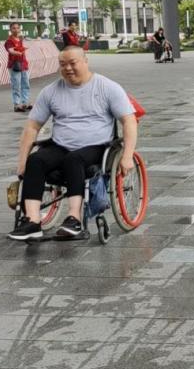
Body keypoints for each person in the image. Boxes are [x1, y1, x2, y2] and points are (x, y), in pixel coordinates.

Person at [8, 46, 138, 241]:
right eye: (62, 64)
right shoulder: (51, 91)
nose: (67, 68)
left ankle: (74, 218)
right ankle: (32, 221)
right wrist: (22, 161)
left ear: (85, 61)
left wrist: (127, 156)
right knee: (35, 161)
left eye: (72, 63)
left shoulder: (107, 87)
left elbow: (129, 121)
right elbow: (32, 127)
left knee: (73, 159)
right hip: (61, 145)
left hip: (96, 146)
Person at [5, 22, 32, 113]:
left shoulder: (20, 40)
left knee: (26, 84)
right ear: (10, 30)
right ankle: (16, 104)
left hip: (23, 64)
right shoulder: (9, 41)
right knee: (16, 85)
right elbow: (10, 50)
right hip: (14, 65)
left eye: (17, 28)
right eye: (14, 28)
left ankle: (25, 102)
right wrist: (17, 52)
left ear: (20, 29)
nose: (16, 30)